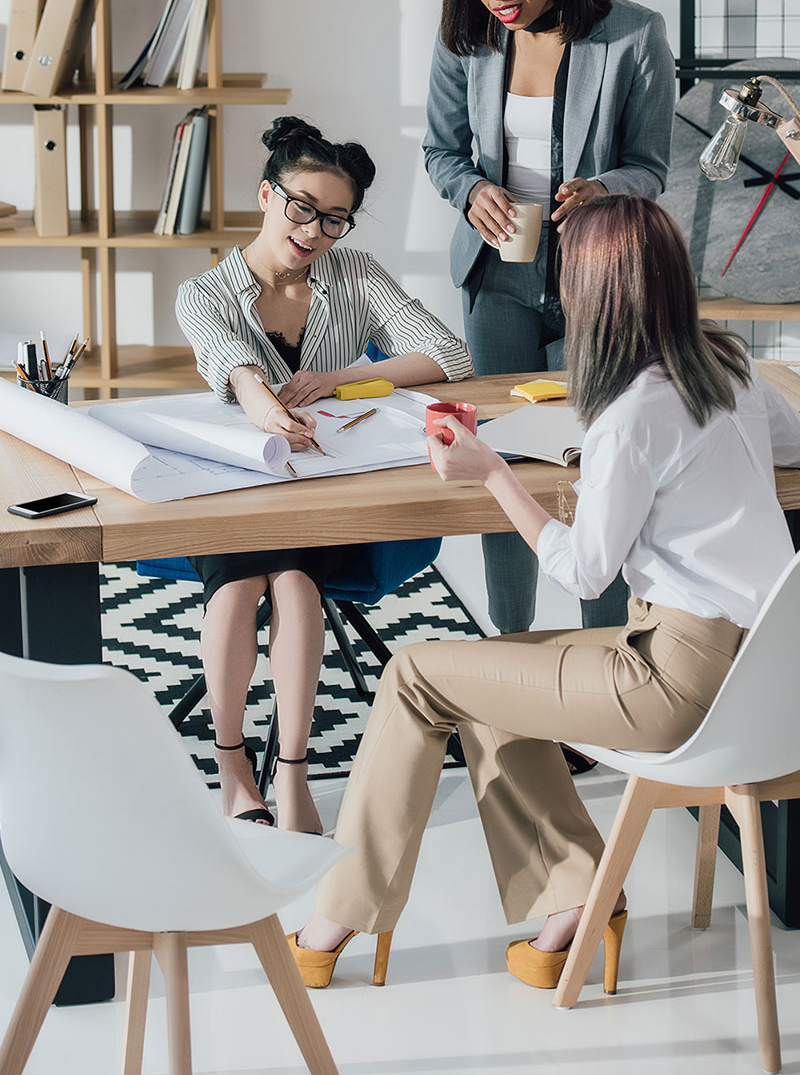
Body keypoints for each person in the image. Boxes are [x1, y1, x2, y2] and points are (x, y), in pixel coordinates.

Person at [289, 196, 800, 988]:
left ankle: (335, 920)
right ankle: (574, 905)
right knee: (490, 676)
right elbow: (790, 444)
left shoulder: (631, 415)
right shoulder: (727, 366)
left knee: (417, 674)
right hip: (762, 671)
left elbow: (585, 573)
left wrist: (493, 473)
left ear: (598, 292)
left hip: (676, 682)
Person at [176, 116, 472, 834]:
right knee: (249, 581)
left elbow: (449, 357)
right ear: (266, 195)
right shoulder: (204, 291)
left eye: (333, 220)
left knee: (297, 582)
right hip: (240, 492)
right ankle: (234, 767)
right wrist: (262, 402)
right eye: (301, 207)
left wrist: (341, 378)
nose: (312, 231)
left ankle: (292, 772)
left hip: (328, 493)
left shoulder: (355, 274)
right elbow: (232, 366)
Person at [423, 0, 675, 637]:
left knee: (593, 463)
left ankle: (604, 648)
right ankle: (515, 646)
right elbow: (440, 152)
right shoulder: (467, 39)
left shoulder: (633, 35)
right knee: (500, 457)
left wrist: (604, 188)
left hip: (596, 282)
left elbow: (652, 168)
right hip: (496, 279)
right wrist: (472, 193)